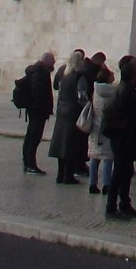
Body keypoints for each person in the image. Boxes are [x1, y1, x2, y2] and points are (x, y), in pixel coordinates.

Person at [103, 55, 136, 219]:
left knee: (126, 171)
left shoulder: (125, 89)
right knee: (120, 172)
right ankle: (111, 207)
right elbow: (129, 115)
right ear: (133, 76)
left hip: (123, 137)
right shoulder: (125, 92)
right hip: (122, 138)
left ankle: (124, 204)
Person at [50, 49, 91, 185]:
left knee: (61, 143)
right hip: (74, 111)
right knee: (72, 144)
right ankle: (68, 175)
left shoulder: (62, 71)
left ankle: (60, 174)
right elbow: (81, 95)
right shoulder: (79, 75)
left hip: (61, 109)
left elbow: (56, 86)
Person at [17, 50, 56, 174]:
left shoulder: (38, 71)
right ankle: (30, 164)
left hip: (35, 110)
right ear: (46, 61)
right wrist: (42, 106)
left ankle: (27, 162)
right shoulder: (40, 73)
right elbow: (37, 92)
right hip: (37, 110)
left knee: (31, 137)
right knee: (34, 137)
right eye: (52, 60)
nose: (54, 62)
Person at [87, 58, 117, 197]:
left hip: (95, 126)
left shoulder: (95, 91)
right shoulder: (114, 93)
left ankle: (92, 183)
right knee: (108, 157)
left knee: (94, 156)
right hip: (108, 127)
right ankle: (106, 184)